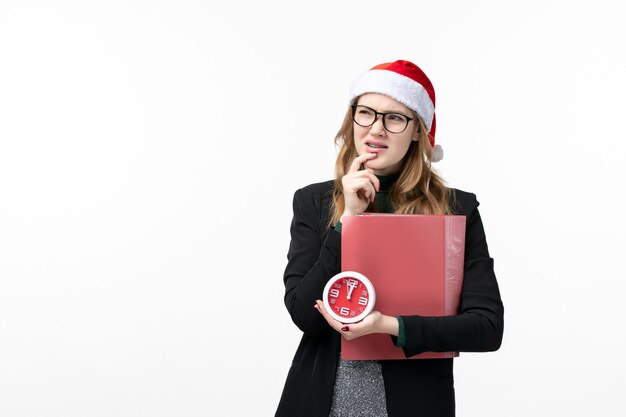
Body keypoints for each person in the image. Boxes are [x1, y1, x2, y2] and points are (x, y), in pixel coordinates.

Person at [275, 60, 504, 417]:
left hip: (415, 401)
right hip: (323, 399)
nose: (376, 129)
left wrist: (389, 326)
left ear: (418, 130)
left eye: (395, 118)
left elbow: (487, 328)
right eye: (365, 113)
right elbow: (305, 314)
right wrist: (348, 219)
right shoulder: (313, 201)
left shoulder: (456, 209)